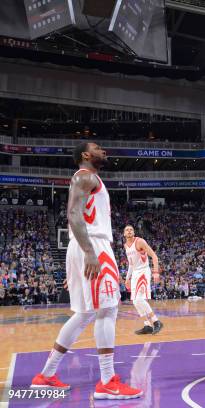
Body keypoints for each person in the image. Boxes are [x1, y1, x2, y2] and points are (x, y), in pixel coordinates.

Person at [31, 142, 142, 399]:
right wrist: (90, 252)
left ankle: (46, 375)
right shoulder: (85, 176)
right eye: (97, 148)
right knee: (107, 309)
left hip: (84, 246)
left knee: (84, 314)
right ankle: (107, 382)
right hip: (93, 245)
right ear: (85, 154)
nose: (103, 150)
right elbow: (73, 214)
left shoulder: (89, 178)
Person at [123, 225, 163, 335]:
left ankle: (156, 322)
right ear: (124, 234)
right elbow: (131, 264)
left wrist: (155, 272)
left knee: (139, 299)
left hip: (143, 272)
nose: (129, 231)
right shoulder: (126, 246)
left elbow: (154, 256)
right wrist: (127, 278)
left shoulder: (140, 242)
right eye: (127, 230)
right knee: (135, 301)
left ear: (134, 232)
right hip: (135, 273)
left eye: (131, 229)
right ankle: (147, 325)